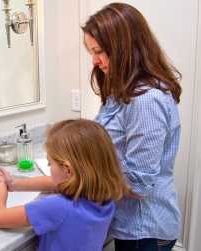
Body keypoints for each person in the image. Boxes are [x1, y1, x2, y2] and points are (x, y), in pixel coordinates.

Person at [81, 3, 182, 251]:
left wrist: (86, 173)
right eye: (91, 52)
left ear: (125, 48)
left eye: (100, 51)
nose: (95, 61)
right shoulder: (122, 91)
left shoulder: (146, 100)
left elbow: (138, 184)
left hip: (143, 229)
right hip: (131, 225)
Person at [0, 119, 130, 251]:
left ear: (68, 170)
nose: (48, 166)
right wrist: (15, 184)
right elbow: (55, 183)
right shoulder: (105, 198)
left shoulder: (58, 207)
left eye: (50, 163)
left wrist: (1, 188)